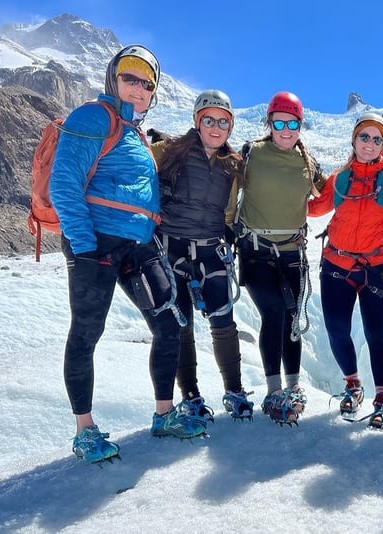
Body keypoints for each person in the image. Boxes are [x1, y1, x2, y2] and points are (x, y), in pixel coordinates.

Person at [50, 45, 206, 465]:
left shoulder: (133, 133)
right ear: (112, 79)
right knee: (86, 333)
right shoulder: (93, 117)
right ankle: (84, 431)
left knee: (171, 322)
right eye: (130, 77)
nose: (138, 87)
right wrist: (82, 247)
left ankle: (163, 413)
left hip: (138, 246)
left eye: (147, 82)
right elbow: (63, 184)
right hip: (96, 244)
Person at [309, 112, 383, 430]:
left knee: (375, 334)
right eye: (364, 137)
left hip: (379, 267)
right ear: (354, 139)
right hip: (337, 264)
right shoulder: (340, 177)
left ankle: (382, 400)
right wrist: (281, 195)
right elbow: (316, 207)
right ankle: (353, 386)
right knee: (337, 329)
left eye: (377, 139)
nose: (370, 143)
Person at [152, 89, 251, 424]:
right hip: (172, 246)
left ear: (230, 126)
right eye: (209, 119)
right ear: (197, 121)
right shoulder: (168, 151)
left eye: (223, 121)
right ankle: (191, 396)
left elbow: (231, 208)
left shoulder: (233, 165)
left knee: (223, 321)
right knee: (182, 324)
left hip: (211, 248)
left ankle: (234, 391)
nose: (215, 126)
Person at [233, 91, 327, 425]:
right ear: (269, 123)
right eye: (279, 122)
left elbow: (328, 193)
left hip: (292, 252)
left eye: (292, 123)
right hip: (255, 250)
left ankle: (293, 387)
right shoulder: (251, 154)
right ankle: (274, 392)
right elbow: (228, 188)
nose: (285, 129)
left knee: (291, 318)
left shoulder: (307, 161)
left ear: (300, 125)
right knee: (273, 313)